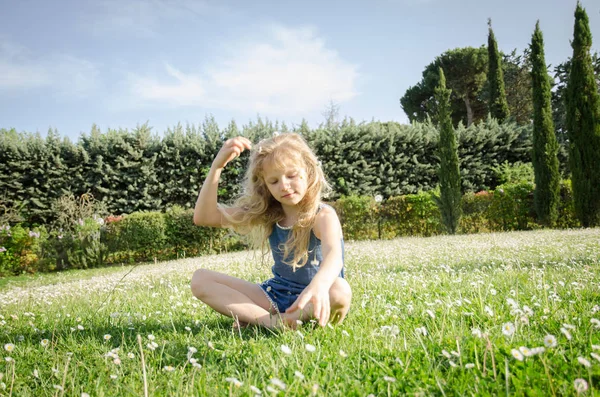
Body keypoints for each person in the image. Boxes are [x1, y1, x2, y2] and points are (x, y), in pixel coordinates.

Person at [191, 133, 351, 329]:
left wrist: (319, 285)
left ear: (309, 172)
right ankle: (273, 322)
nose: (284, 185)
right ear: (265, 186)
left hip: (317, 296)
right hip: (274, 296)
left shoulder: (323, 215)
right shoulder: (268, 213)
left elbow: (334, 256)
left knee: (340, 290)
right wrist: (217, 167)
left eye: (291, 175)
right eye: (274, 181)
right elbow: (204, 217)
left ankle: (265, 318)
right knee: (200, 279)